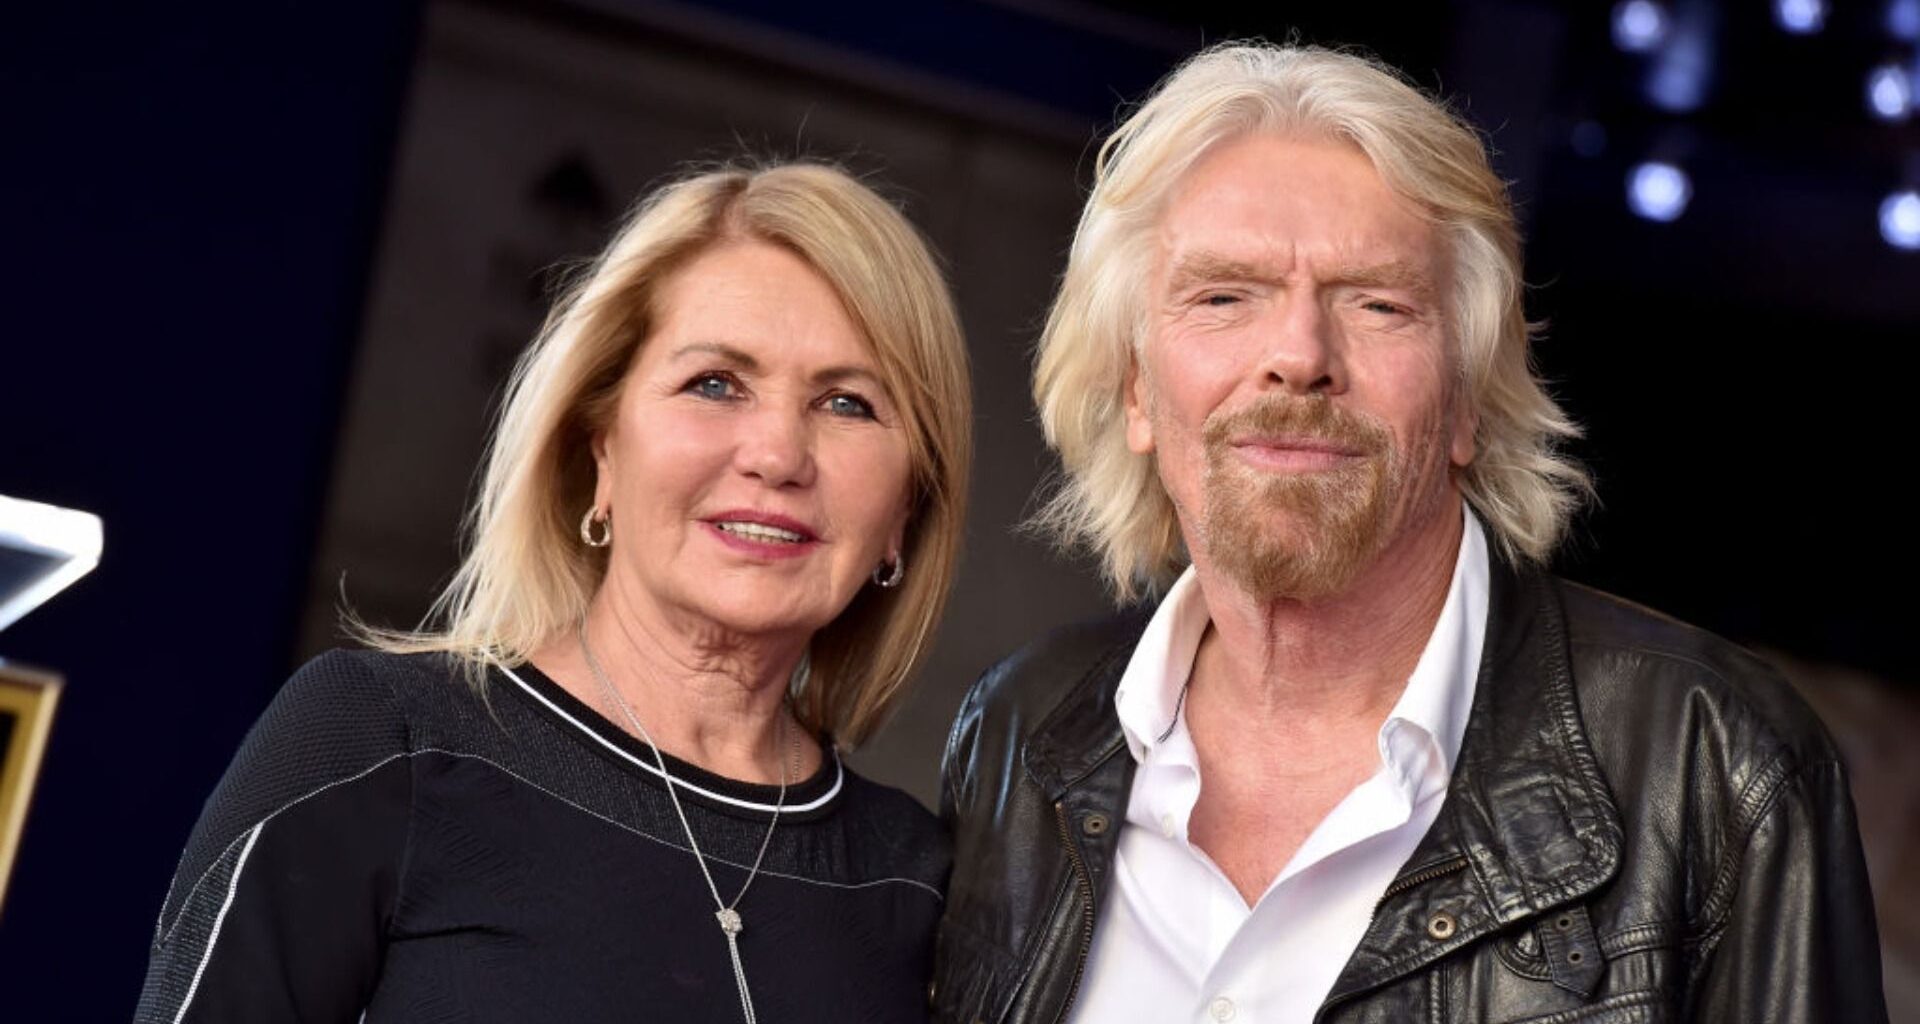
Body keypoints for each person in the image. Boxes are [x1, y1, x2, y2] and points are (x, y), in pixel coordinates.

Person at [932, 43, 1886, 1024]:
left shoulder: (1718, 768)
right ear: (1136, 389)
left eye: (1378, 303)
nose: (1299, 355)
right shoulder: (1018, 731)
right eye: (1223, 296)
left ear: (1469, 398)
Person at [137, 161, 972, 1023]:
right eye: (715, 384)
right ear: (600, 447)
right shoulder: (380, 747)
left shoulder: (919, 883)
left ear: (905, 509)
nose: (777, 456)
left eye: (847, 403)